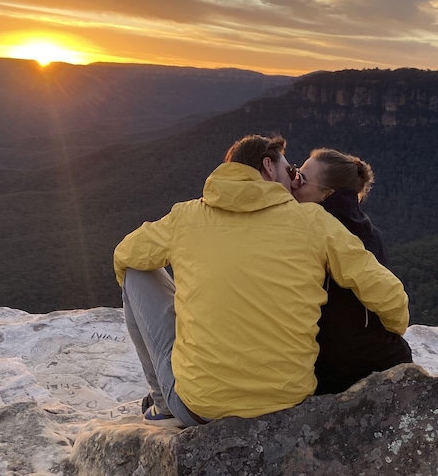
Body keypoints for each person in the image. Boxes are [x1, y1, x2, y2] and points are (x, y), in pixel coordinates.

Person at [114, 134, 409, 427]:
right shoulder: (314, 222)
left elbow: (124, 254)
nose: (293, 180)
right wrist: (396, 327)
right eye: (289, 170)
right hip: (287, 403)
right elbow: (389, 292)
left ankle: (164, 404)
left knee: (135, 272)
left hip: (200, 408)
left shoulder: (186, 216)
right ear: (268, 167)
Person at [292, 148, 413, 394]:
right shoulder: (370, 234)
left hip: (332, 375)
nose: (294, 183)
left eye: (302, 179)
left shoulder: (310, 235)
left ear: (327, 194)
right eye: (295, 173)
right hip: (383, 361)